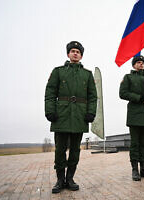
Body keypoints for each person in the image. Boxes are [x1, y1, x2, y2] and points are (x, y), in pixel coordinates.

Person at [45, 41, 97, 193]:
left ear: (81, 56)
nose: (75, 53)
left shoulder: (87, 74)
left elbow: (93, 96)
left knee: (75, 149)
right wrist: (50, 111)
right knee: (60, 149)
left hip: (80, 116)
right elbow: (50, 93)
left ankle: (70, 178)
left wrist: (91, 112)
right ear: (68, 54)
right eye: (73, 51)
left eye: (78, 52)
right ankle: (60, 180)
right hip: (61, 115)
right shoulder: (58, 71)